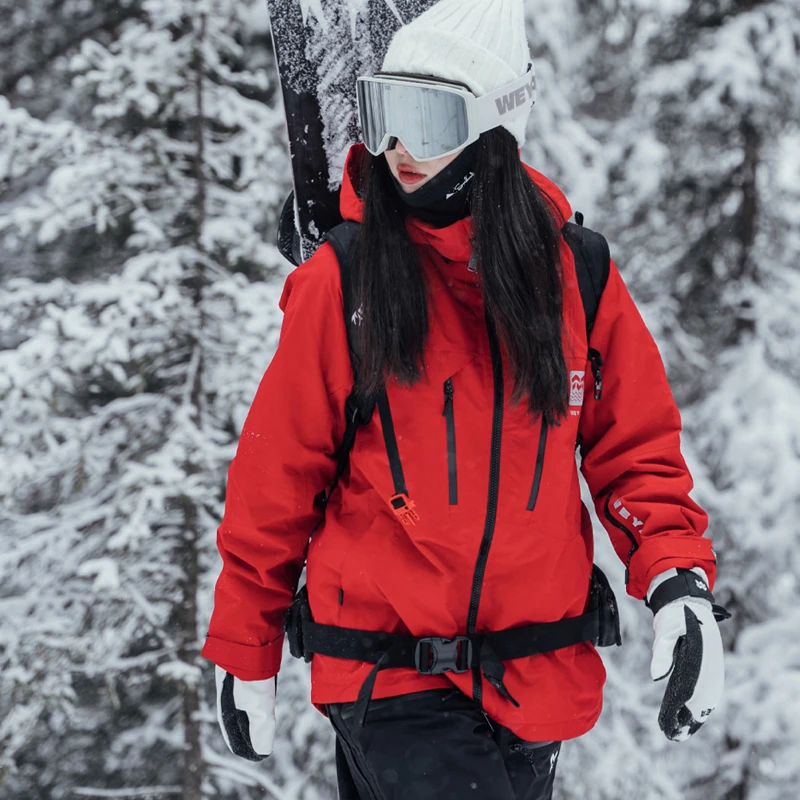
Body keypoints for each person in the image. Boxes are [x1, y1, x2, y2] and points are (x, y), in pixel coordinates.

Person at [202, 0, 727, 797]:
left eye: (430, 119)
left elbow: (635, 450)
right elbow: (278, 477)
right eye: (385, 113)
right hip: (388, 676)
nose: (401, 148)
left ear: (493, 126)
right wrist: (246, 644)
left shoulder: (575, 275)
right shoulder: (344, 281)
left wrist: (677, 580)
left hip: (535, 676)